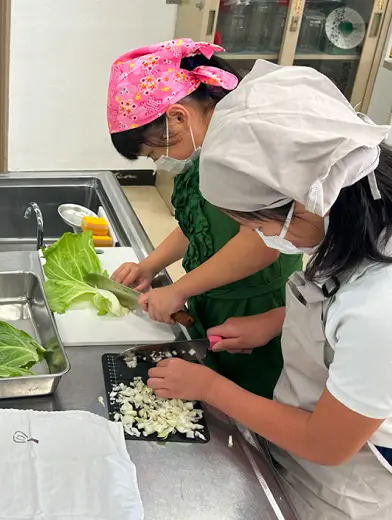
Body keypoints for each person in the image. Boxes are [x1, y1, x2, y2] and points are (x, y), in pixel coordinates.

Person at [147, 60, 392, 519]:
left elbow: (327, 443)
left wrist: (209, 387)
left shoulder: (380, 307)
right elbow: (335, 308)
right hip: (299, 448)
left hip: (343, 488)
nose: (261, 239)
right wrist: (274, 323)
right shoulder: (351, 228)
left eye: (257, 225)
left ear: (304, 205)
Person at [106, 39, 302, 398]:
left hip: (256, 304)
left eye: (154, 151)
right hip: (210, 292)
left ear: (179, 117)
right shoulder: (201, 151)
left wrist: (180, 288)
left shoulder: (245, 151)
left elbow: (261, 244)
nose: (158, 162)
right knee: (210, 386)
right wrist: (150, 266)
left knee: (250, 402)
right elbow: (197, 225)